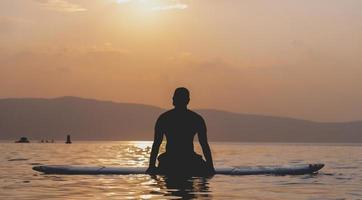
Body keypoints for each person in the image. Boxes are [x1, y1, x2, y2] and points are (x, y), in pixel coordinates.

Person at [146, 87, 215, 176]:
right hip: (189, 162)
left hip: (170, 162)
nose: (173, 99)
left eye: (174, 97)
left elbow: (156, 144)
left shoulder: (164, 118)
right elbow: (204, 145)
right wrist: (210, 167)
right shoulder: (196, 119)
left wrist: (151, 166)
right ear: (188, 101)